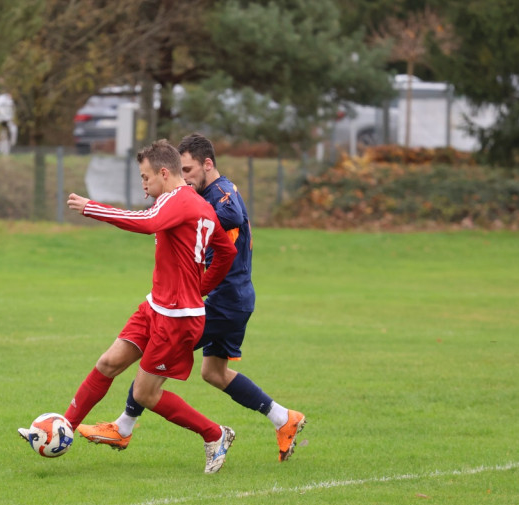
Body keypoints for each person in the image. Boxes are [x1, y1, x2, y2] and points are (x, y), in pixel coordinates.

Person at [78, 133, 307, 462]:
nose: (184, 178)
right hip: (232, 298)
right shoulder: (201, 195)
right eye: (180, 171)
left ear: (208, 165)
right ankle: (284, 418)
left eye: (188, 170)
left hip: (221, 300)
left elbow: (232, 217)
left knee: (151, 358)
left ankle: (124, 427)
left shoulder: (221, 193)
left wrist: (190, 211)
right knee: (213, 373)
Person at [20, 139, 238, 473]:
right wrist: (200, 287)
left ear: (164, 173)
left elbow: (146, 222)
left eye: (145, 177)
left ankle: (215, 434)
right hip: (157, 307)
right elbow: (226, 252)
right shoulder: (196, 204)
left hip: (177, 318)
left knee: (146, 394)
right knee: (108, 362)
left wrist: (91, 207)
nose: (144, 184)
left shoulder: (177, 200)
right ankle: (62, 429)